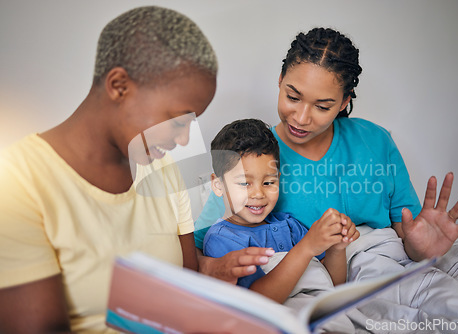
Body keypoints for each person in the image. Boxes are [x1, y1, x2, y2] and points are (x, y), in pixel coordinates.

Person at [195, 27, 458, 329]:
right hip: (322, 282)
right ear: (280, 81)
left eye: (323, 106)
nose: (301, 118)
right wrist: (212, 267)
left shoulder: (376, 141)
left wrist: (420, 249)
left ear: (343, 102)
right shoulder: (254, 158)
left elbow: (407, 239)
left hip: (383, 261)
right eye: (292, 96)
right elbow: (204, 252)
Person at [0, 6, 271, 333]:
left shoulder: (164, 169)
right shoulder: (18, 184)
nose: (184, 138)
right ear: (118, 86)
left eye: (192, 123)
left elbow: (183, 279)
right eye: (177, 120)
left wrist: (214, 271)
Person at [203, 118, 360, 304]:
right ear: (218, 184)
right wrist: (306, 248)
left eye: (269, 182)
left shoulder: (288, 224)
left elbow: (332, 284)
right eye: (245, 183)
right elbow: (259, 302)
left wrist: (336, 248)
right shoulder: (221, 240)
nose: (258, 194)